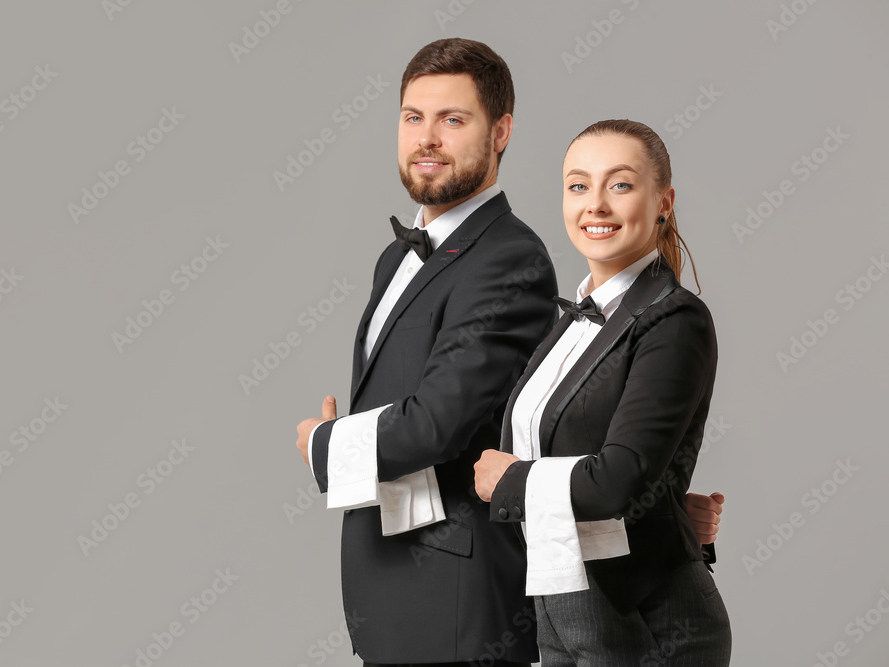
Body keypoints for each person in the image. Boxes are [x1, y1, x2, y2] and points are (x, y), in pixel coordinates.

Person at [295, 40, 724, 667]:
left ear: (501, 132)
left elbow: (442, 424)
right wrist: (666, 512)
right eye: (414, 117)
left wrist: (323, 444)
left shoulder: (513, 260)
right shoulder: (412, 263)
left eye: (453, 119)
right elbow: (554, 434)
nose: (428, 138)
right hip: (440, 590)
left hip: (467, 599)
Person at [474, 119, 732, 666]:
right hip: (559, 604)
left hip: (646, 620)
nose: (595, 204)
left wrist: (510, 480)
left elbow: (617, 478)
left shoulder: (675, 319)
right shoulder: (569, 325)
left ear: (663, 201)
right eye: (577, 185)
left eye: (619, 184)